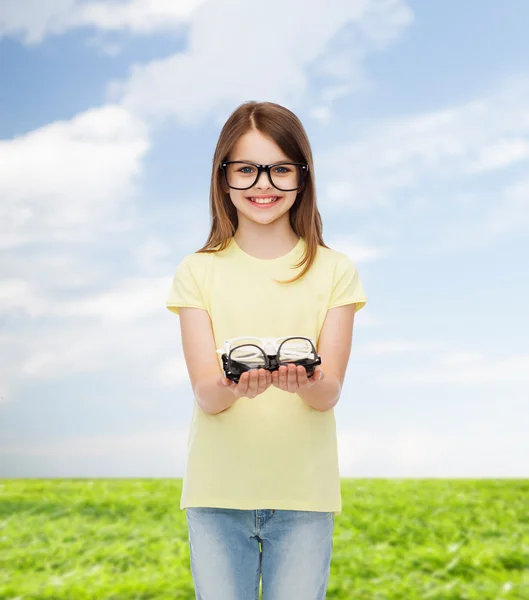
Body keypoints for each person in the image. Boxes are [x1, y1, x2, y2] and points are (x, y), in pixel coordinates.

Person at [166, 100, 367, 600]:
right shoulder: (198, 270)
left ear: (302, 177)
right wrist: (237, 386)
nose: (264, 185)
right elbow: (208, 396)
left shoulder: (334, 269)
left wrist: (308, 379)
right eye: (247, 170)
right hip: (217, 494)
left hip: (304, 495)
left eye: (280, 169)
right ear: (224, 177)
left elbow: (328, 394)